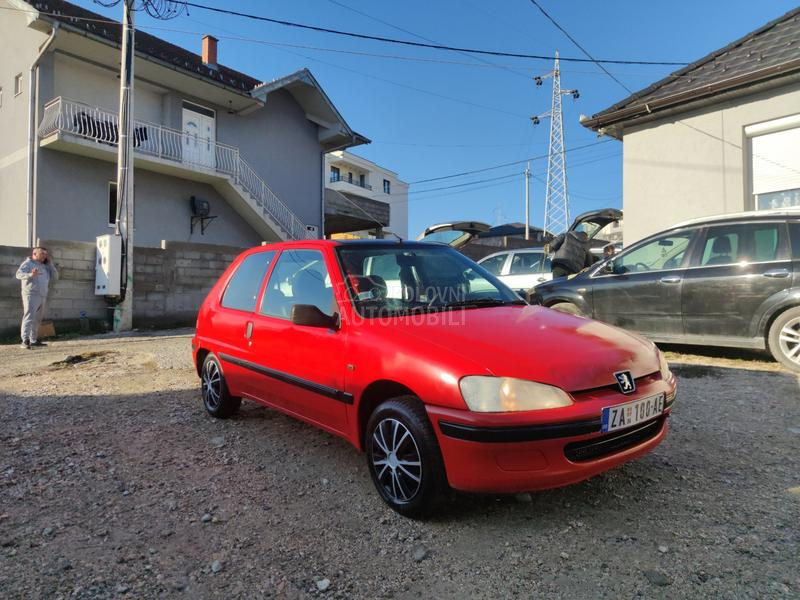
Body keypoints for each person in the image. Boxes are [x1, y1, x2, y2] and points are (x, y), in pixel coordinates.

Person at [16, 246, 58, 349]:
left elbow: (55, 277)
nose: (45, 256)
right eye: (42, 253)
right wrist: (31, 274)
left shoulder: (44, 266)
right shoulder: (28, 263)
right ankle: (24, 340)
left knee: (37, 319)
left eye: (45, 254)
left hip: (42, 295)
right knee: (29, 317)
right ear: (35, 254)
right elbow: (18, 274)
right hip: (31, 294)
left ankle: (33, 340)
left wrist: (51, 264)